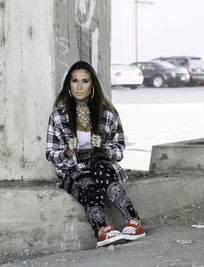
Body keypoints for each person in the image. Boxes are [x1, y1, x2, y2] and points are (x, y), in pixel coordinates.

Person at [46, 61, 145, 248]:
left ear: (92, 85)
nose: (80, 86)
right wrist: (67, 151)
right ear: (69, 84)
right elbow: (50, 154)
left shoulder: (106, 114)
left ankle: (134, 223)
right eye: (75, 81)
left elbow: (119, 150)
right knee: (89, 185)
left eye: (85, 81)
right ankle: (102, 230)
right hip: (73, 168)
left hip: (100, 162)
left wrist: (104, 148)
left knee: (102, 170)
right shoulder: (58, 116)